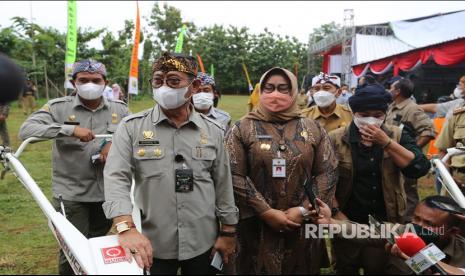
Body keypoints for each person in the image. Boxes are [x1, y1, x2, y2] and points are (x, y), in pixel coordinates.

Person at [103, 52, 238, 275]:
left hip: (202, 240)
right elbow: (116, 177)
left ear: (194, 86)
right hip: (151, 242)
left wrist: (228, 232)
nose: (164, 87)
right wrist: (125, 228)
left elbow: (223, 183)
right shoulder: (131, 128)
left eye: (174, 81)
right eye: (158, 81)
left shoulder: (212, 130)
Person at [18, 59, 129, 275]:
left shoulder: (120, 109)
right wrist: (69, 129)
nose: (90, 84)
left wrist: (112, 143)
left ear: (105, 82)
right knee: (73, 251)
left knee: (97, 245)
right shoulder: (58, 107)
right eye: (84, 80)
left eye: (96, 80)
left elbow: (130, 135)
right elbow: (27, 129)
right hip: (71, 194)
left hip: (107, 192)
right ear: (73, 82)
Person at [225, 67, 338, 274]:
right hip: (256, 226)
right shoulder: (241, 128)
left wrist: (303, 210)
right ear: (261, 91)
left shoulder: (313, 128)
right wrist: (266, 211)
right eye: (269, 88)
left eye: (282, 88)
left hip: (301, 226)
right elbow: (233, 175)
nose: (275, 94)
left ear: (294, 92)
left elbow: (327, 173)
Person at [328, 82, 431, 275]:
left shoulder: (397, 135)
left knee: (377, 266)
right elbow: (325, 181)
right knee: (345, 266)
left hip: (385, 221)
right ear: (353, 112)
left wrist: (387, 143)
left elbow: (419, 168)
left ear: (385, 114)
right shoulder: (336, 138)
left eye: (377, 116)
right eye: (363, 115)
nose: (370, 120)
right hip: (347, 219)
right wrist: (336, 213)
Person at [311, 195, 465, 273]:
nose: (418, 226)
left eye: (429, 224)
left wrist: (421, 256)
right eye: (416, 218)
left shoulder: (462, 250)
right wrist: (332, 223)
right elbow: (367, 231)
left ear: (452, 232)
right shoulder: (405, 232)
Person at [386, 77, 435, 221]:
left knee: (408, 192)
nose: (389, 91)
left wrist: (412, 152)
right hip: (392, 157)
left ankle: (410, 224)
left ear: (398, 91)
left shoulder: (412, 108)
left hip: (405, 160)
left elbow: (428, 131)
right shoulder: (392, 106)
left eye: (391, 88)